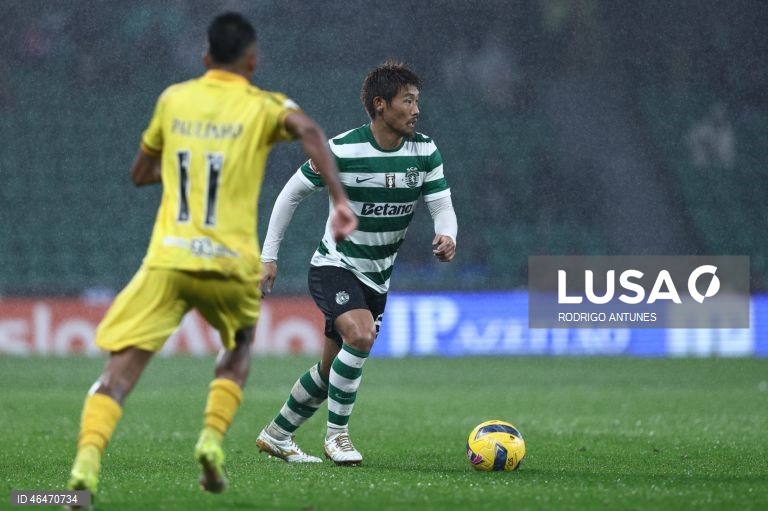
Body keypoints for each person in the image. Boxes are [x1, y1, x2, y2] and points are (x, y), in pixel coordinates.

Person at [66, 12, 355, 499]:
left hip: (168, 260)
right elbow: (308, 130)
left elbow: (140, 172)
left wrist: (186, 170)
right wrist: (339, 199)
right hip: (229, 263)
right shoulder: (263, 104)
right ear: (253, 59)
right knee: (238, 349)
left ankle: (85, 468)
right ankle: (211, 438)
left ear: (204, 57)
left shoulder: (173, 99)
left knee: (120, 370)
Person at [255, 61, 458, 465]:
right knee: (361, 337)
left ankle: (277, 434)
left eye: (418, 101)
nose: (417, 110)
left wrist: (448, 233)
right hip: (335, 264)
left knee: (332, 372)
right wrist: (268, 257)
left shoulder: (425, 151)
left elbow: (441, 204)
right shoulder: (343, 150)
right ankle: (337, 437)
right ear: (380, 105)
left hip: (378, 277)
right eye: (408, 101)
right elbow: (290, 194)